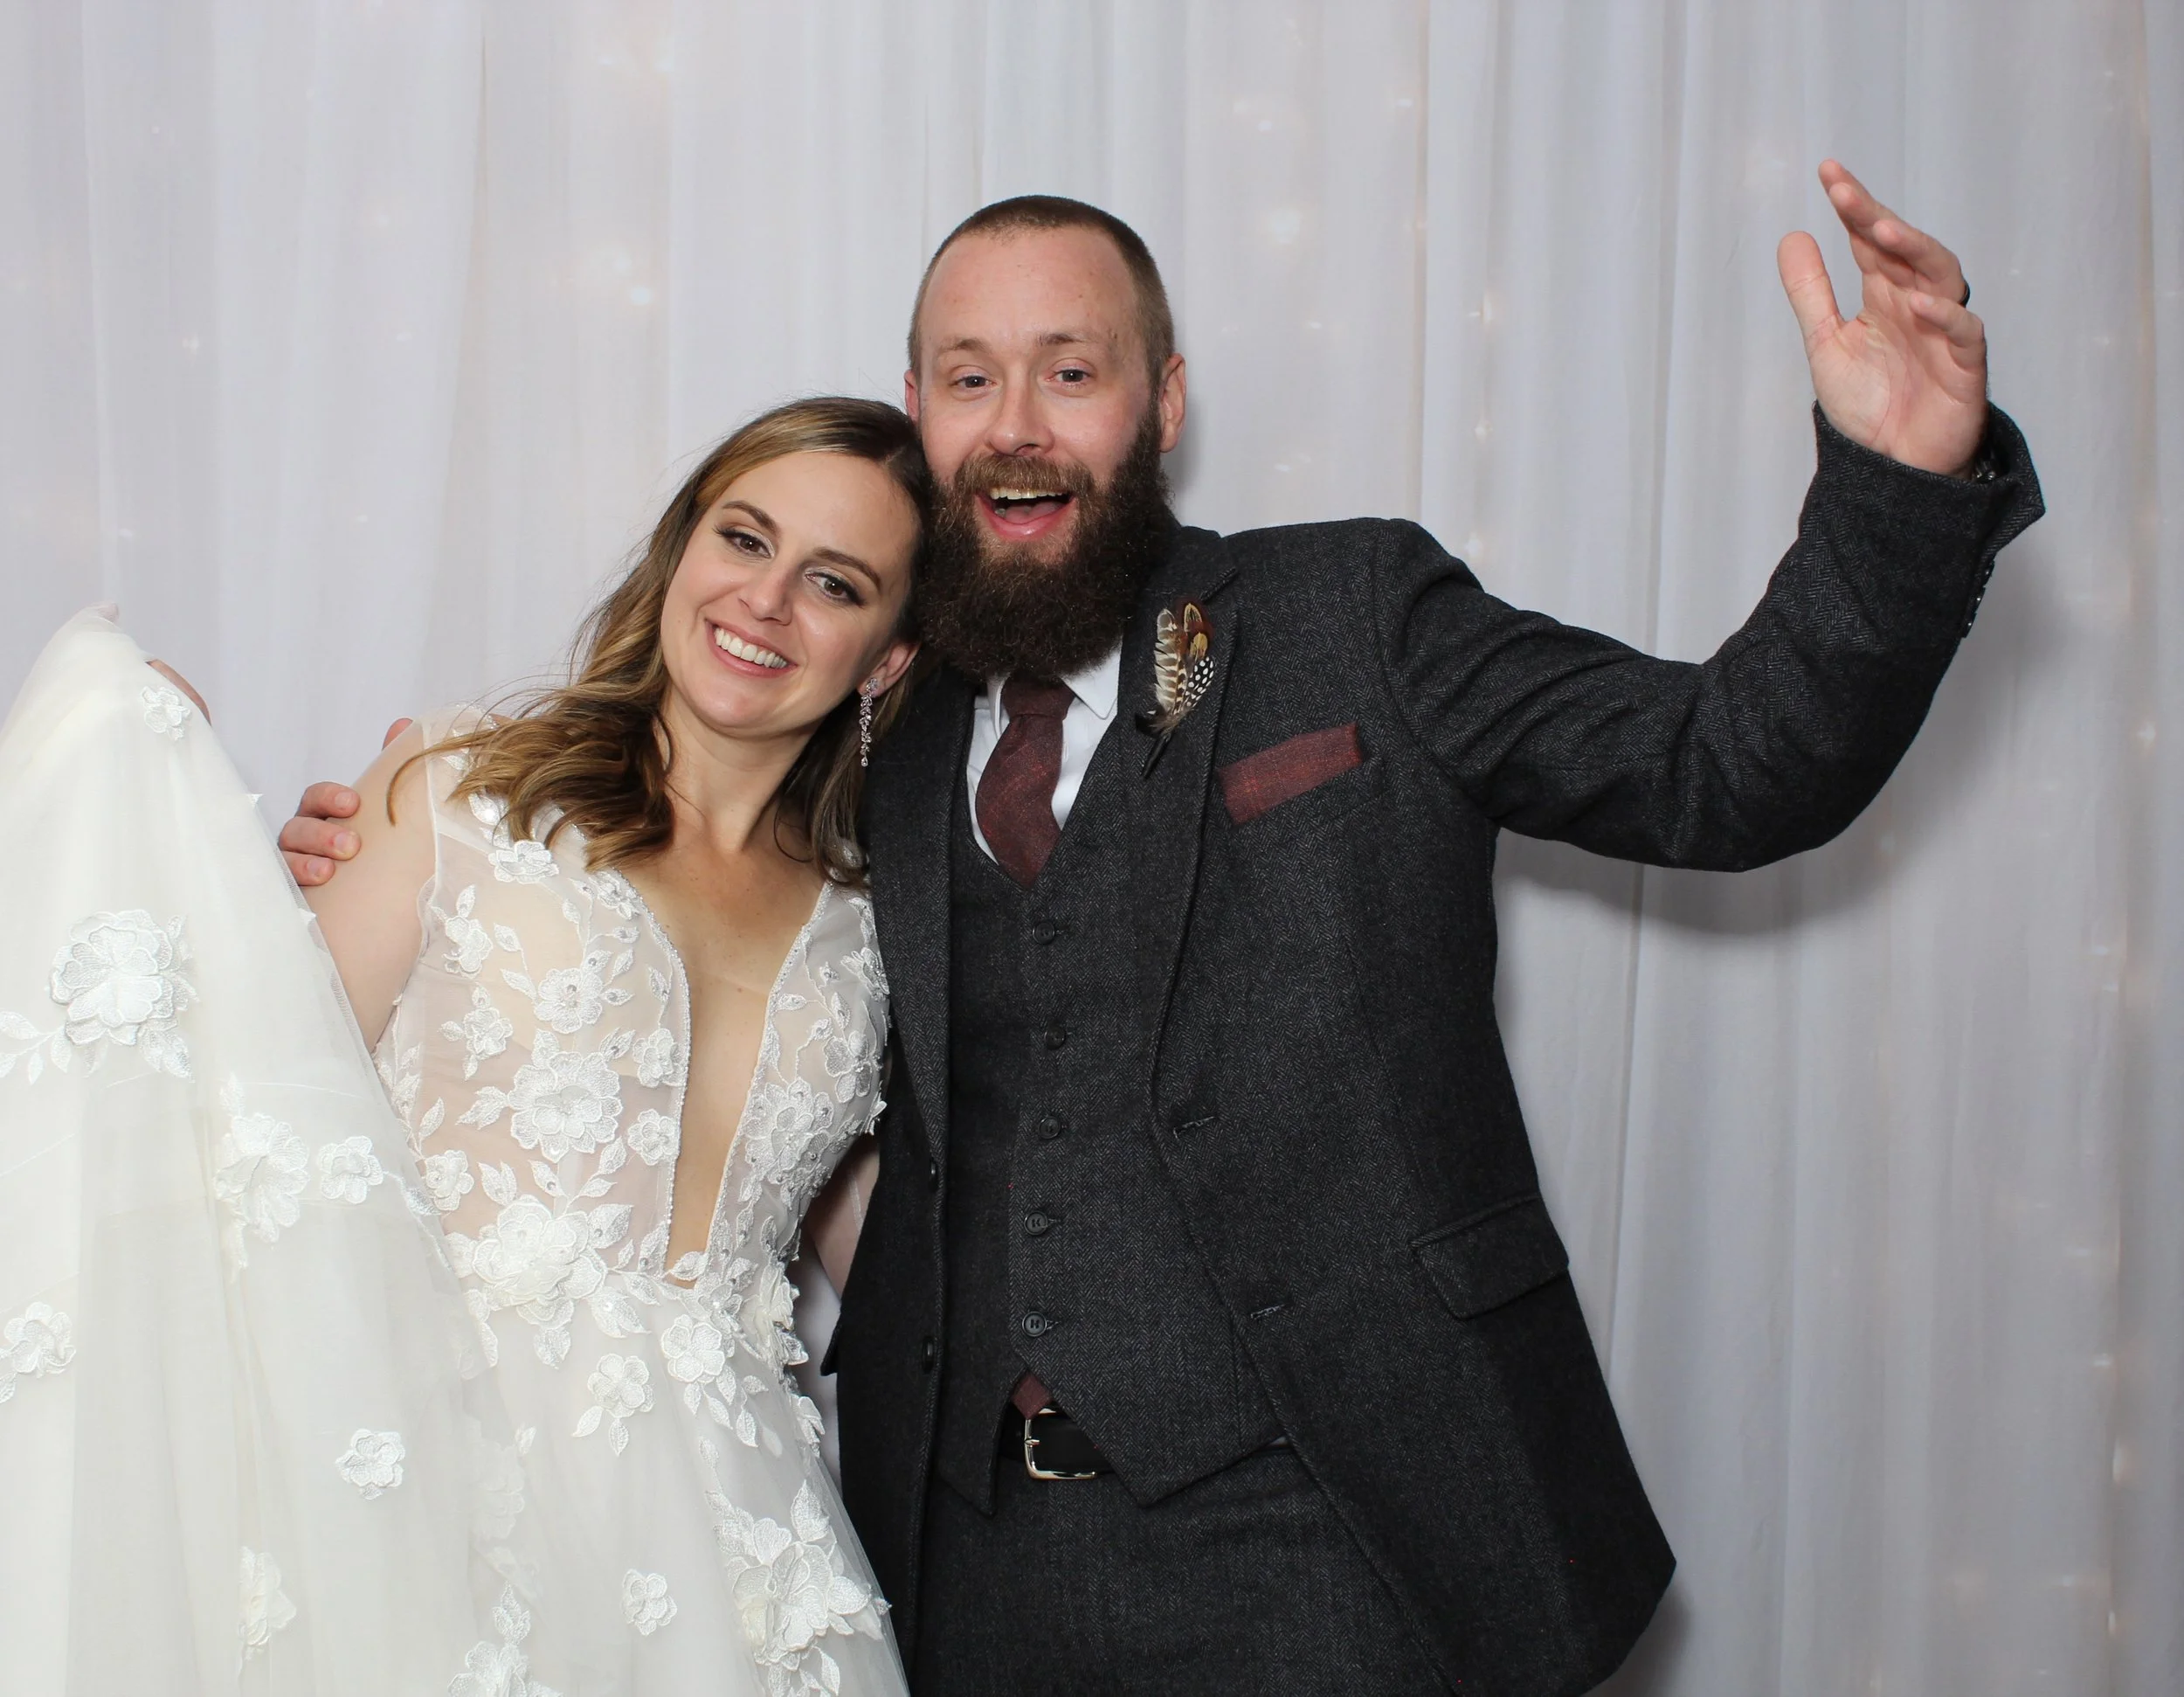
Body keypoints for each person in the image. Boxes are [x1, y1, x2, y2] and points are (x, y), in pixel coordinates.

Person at [283, 163, 2044, 1694]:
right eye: (970, 377)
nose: (1020, 420)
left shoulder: (1350, 608)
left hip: (1332, 1536)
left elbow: (1718, 769)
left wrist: (1892, 486)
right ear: (918, 409)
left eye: (1073, 369)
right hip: (951, 1560)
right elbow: (705, 1011)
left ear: (1164, 399)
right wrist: (425, 874)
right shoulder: (870, 745)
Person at [0, 395, 928, 1695]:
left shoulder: (883, 925)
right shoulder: (459, 788)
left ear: (887, 656)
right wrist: (166, 822)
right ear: (683, 551)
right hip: (440, 1492)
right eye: (743, 537)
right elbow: (251, 1108)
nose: (765, 601)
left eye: (832, 581)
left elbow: (905, 1257)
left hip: (751, 1555)